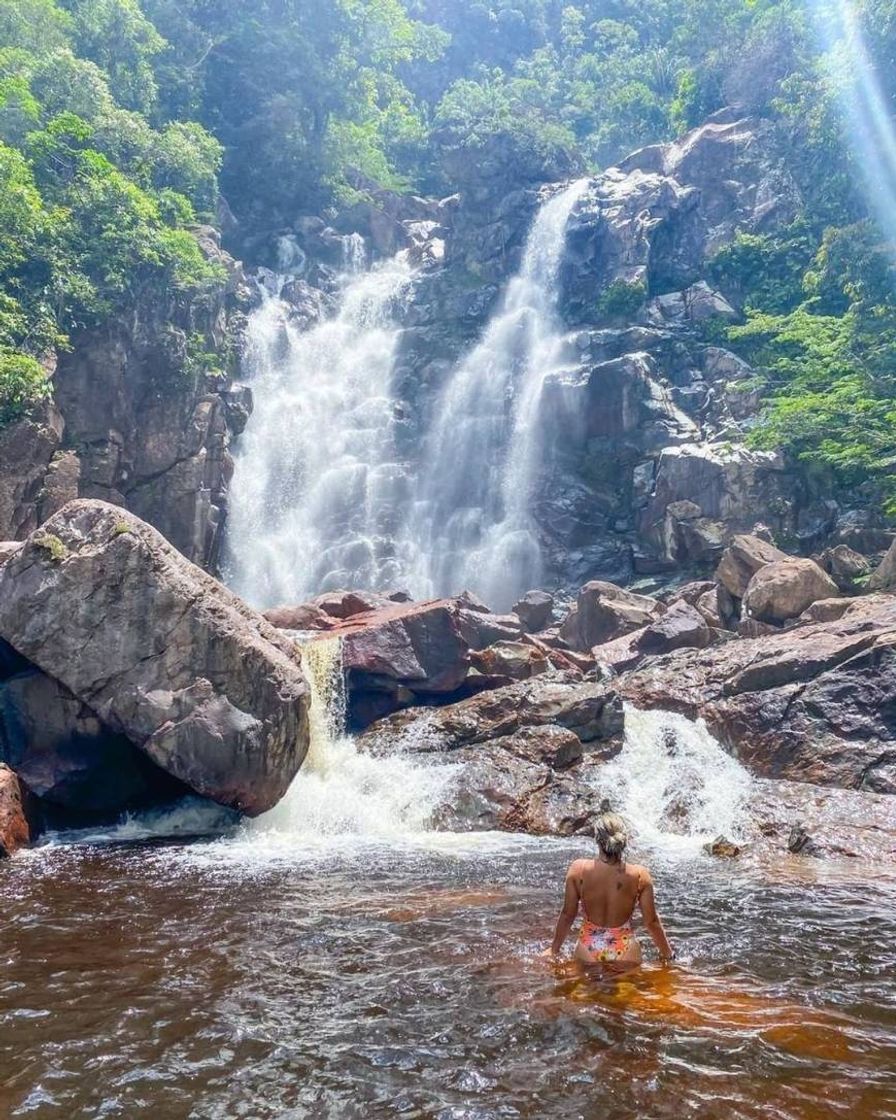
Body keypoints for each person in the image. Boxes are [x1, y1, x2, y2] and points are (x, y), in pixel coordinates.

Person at [545, 811, 675, 968]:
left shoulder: (578, 870)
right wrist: (668, 954)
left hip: (588, 946)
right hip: (626, 948)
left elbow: (567, 915)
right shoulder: (640, 875)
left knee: (582, 992)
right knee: (629, 992)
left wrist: (554, 950)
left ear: (597, 839)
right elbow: (651, 921)